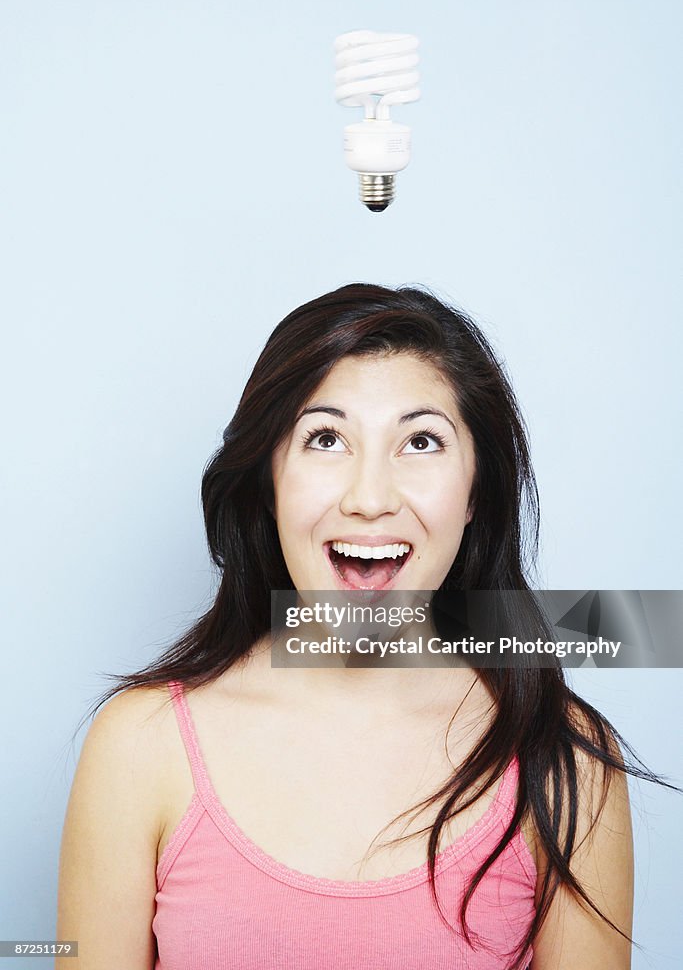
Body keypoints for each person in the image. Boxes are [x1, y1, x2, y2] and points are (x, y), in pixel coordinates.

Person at [56, 282, 659, 970]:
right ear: (268, 483)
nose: (369, 499)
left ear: (475, 494)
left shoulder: (567, 762)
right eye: (325, 438)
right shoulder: (140, 747)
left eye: (421, 440)